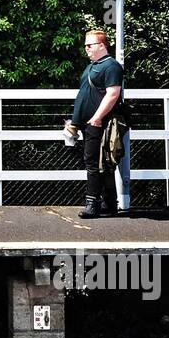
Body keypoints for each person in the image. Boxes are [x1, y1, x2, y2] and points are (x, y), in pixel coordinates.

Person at [65, 29, 125, 218]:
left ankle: (92, 204)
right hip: (90, 122)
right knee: (102, 163)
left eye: (90, 45)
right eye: (85, 45)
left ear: (102, 45)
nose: (86, 49)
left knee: (94, 163)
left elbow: (113, 93)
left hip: (99, 123)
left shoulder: (111, 66)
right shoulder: (92, 66)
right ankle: (109, 203)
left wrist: (97, 118)